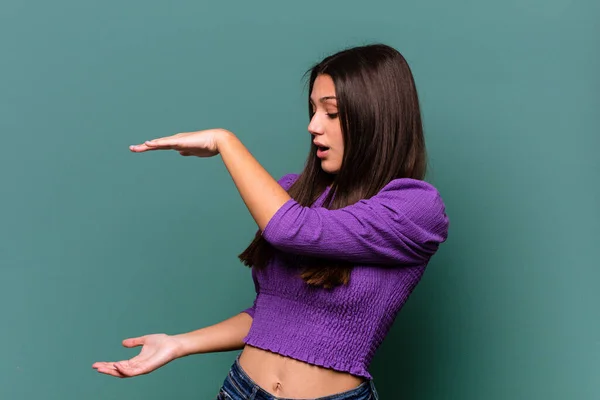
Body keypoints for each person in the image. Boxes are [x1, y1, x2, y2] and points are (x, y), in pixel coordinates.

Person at [92, 43, 449, 400]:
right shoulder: (292, 192)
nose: (313, 126)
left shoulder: (415, 207)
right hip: (240, 390)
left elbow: (293, 230)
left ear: (377, 118)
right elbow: (271, 314)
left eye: (332, 113)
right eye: (312, 111)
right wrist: (178, 344)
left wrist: (225, 142)